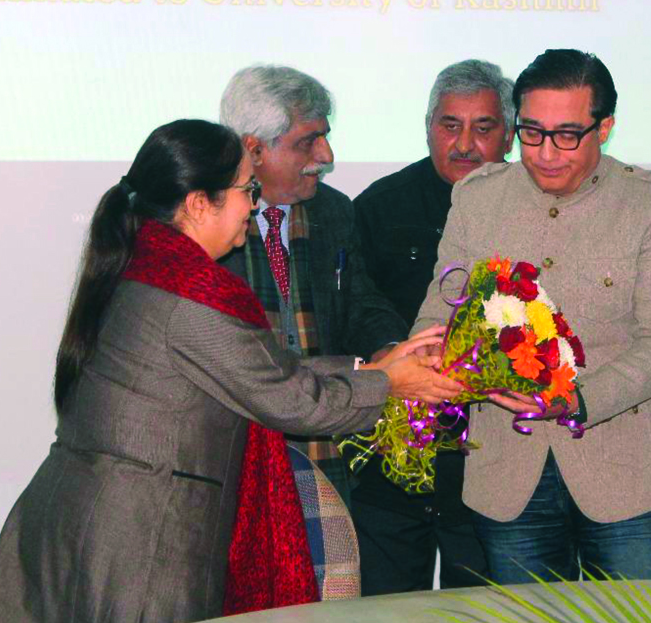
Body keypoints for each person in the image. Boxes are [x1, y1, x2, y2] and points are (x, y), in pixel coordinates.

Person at [0, 120, 460, 623]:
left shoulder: (151, 262)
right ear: (199, 203)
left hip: (96, 514)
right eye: (246, 190)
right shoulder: (190, 292)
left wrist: (369, 366)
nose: (254, 204)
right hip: (134, 539)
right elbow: (291, 400)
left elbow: (258, 368)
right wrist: (391, 383)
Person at [412, 49, 651, 584]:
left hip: (624, 473)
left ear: (604, 127)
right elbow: (437, 312)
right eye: (531, 132)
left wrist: (577, 400)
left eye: (567, 135)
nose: (545, 153)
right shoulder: (477, 197)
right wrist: (426, 364)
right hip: (506, 471)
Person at [219, 65, 410, 597]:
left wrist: (391, 350)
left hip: (328, 450)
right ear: (254, 149)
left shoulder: (334, 212)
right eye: (309, 141)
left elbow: (361, 302)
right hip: (241, 453)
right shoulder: (207, 224)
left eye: (325, 137)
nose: (326, 157)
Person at [350, 59, 513, 595]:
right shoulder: (378, 206)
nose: (464, 143)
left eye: (483, 128)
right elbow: (354, 302)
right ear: (428, 128)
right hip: (394, 455)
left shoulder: (532, 208)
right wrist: (396, 352)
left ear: (509, 134)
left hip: (493, 457)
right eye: (450, 126)